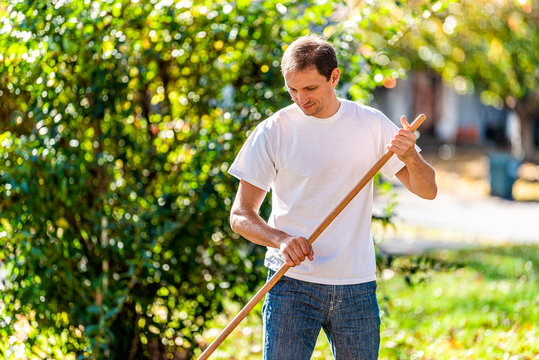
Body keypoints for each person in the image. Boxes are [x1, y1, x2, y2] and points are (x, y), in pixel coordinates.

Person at [228, 34, 437, 360]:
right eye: (292, 89)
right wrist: (280, 239)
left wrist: (411, 157)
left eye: (310, 89)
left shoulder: (370, 124)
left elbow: (428, 190)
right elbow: (241, 215)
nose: (300, 99)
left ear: (334, 77)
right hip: (291, 284)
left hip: (356, 284)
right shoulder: (274, 131)